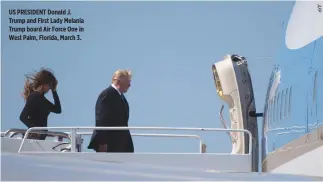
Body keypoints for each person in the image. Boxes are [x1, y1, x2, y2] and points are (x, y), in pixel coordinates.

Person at [88, 69, 134, 153]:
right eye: (128, 81)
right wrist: (102, 142)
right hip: (109, 144)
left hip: (120, 145)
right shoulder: (107, 94)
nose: (129, 85)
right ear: (119, 79)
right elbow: (101, 119)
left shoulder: (121, 97)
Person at [19, 68, 62, 140]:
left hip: (40, 138)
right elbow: (23, 117)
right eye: (50, 85)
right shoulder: (35, 96)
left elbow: (58, 110)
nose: (49, 88)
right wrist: (35, 130)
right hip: (33, 138)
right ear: (44, 84)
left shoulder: (41, 99)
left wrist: (54, 91)